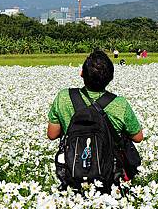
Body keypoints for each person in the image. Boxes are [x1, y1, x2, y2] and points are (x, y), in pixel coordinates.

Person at [47, 50, 143, 189]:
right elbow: (138, 137)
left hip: (73, 172)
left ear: (81, 74)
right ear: (110, 78)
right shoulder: (120, 104)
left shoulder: (63, 97)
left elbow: (52, 134)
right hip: (108, 175)